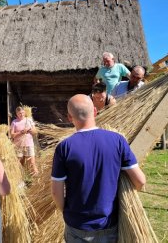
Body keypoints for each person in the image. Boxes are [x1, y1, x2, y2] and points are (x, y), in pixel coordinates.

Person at [51, 94, 146, 242]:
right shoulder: (117, 140)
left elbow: (56, 192)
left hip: (76, 226)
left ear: (70, 117)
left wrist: (68, 211)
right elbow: (140, 181)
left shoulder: (64, 147)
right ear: (95, 111)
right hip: (108, 225)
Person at [10, 106, 38, 175]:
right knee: (19, 164)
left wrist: (30, 130)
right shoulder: (14, 122)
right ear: (16, 114)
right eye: (19, 113)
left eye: (22, 113)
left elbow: (35, 132)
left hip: (29, 144)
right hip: (18, 145)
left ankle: (36, 182)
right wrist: (21, 132)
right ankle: (20, 181)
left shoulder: (29, 120)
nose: (21, 114)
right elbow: (12, 135)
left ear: (24, 112)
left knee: (32, 163)